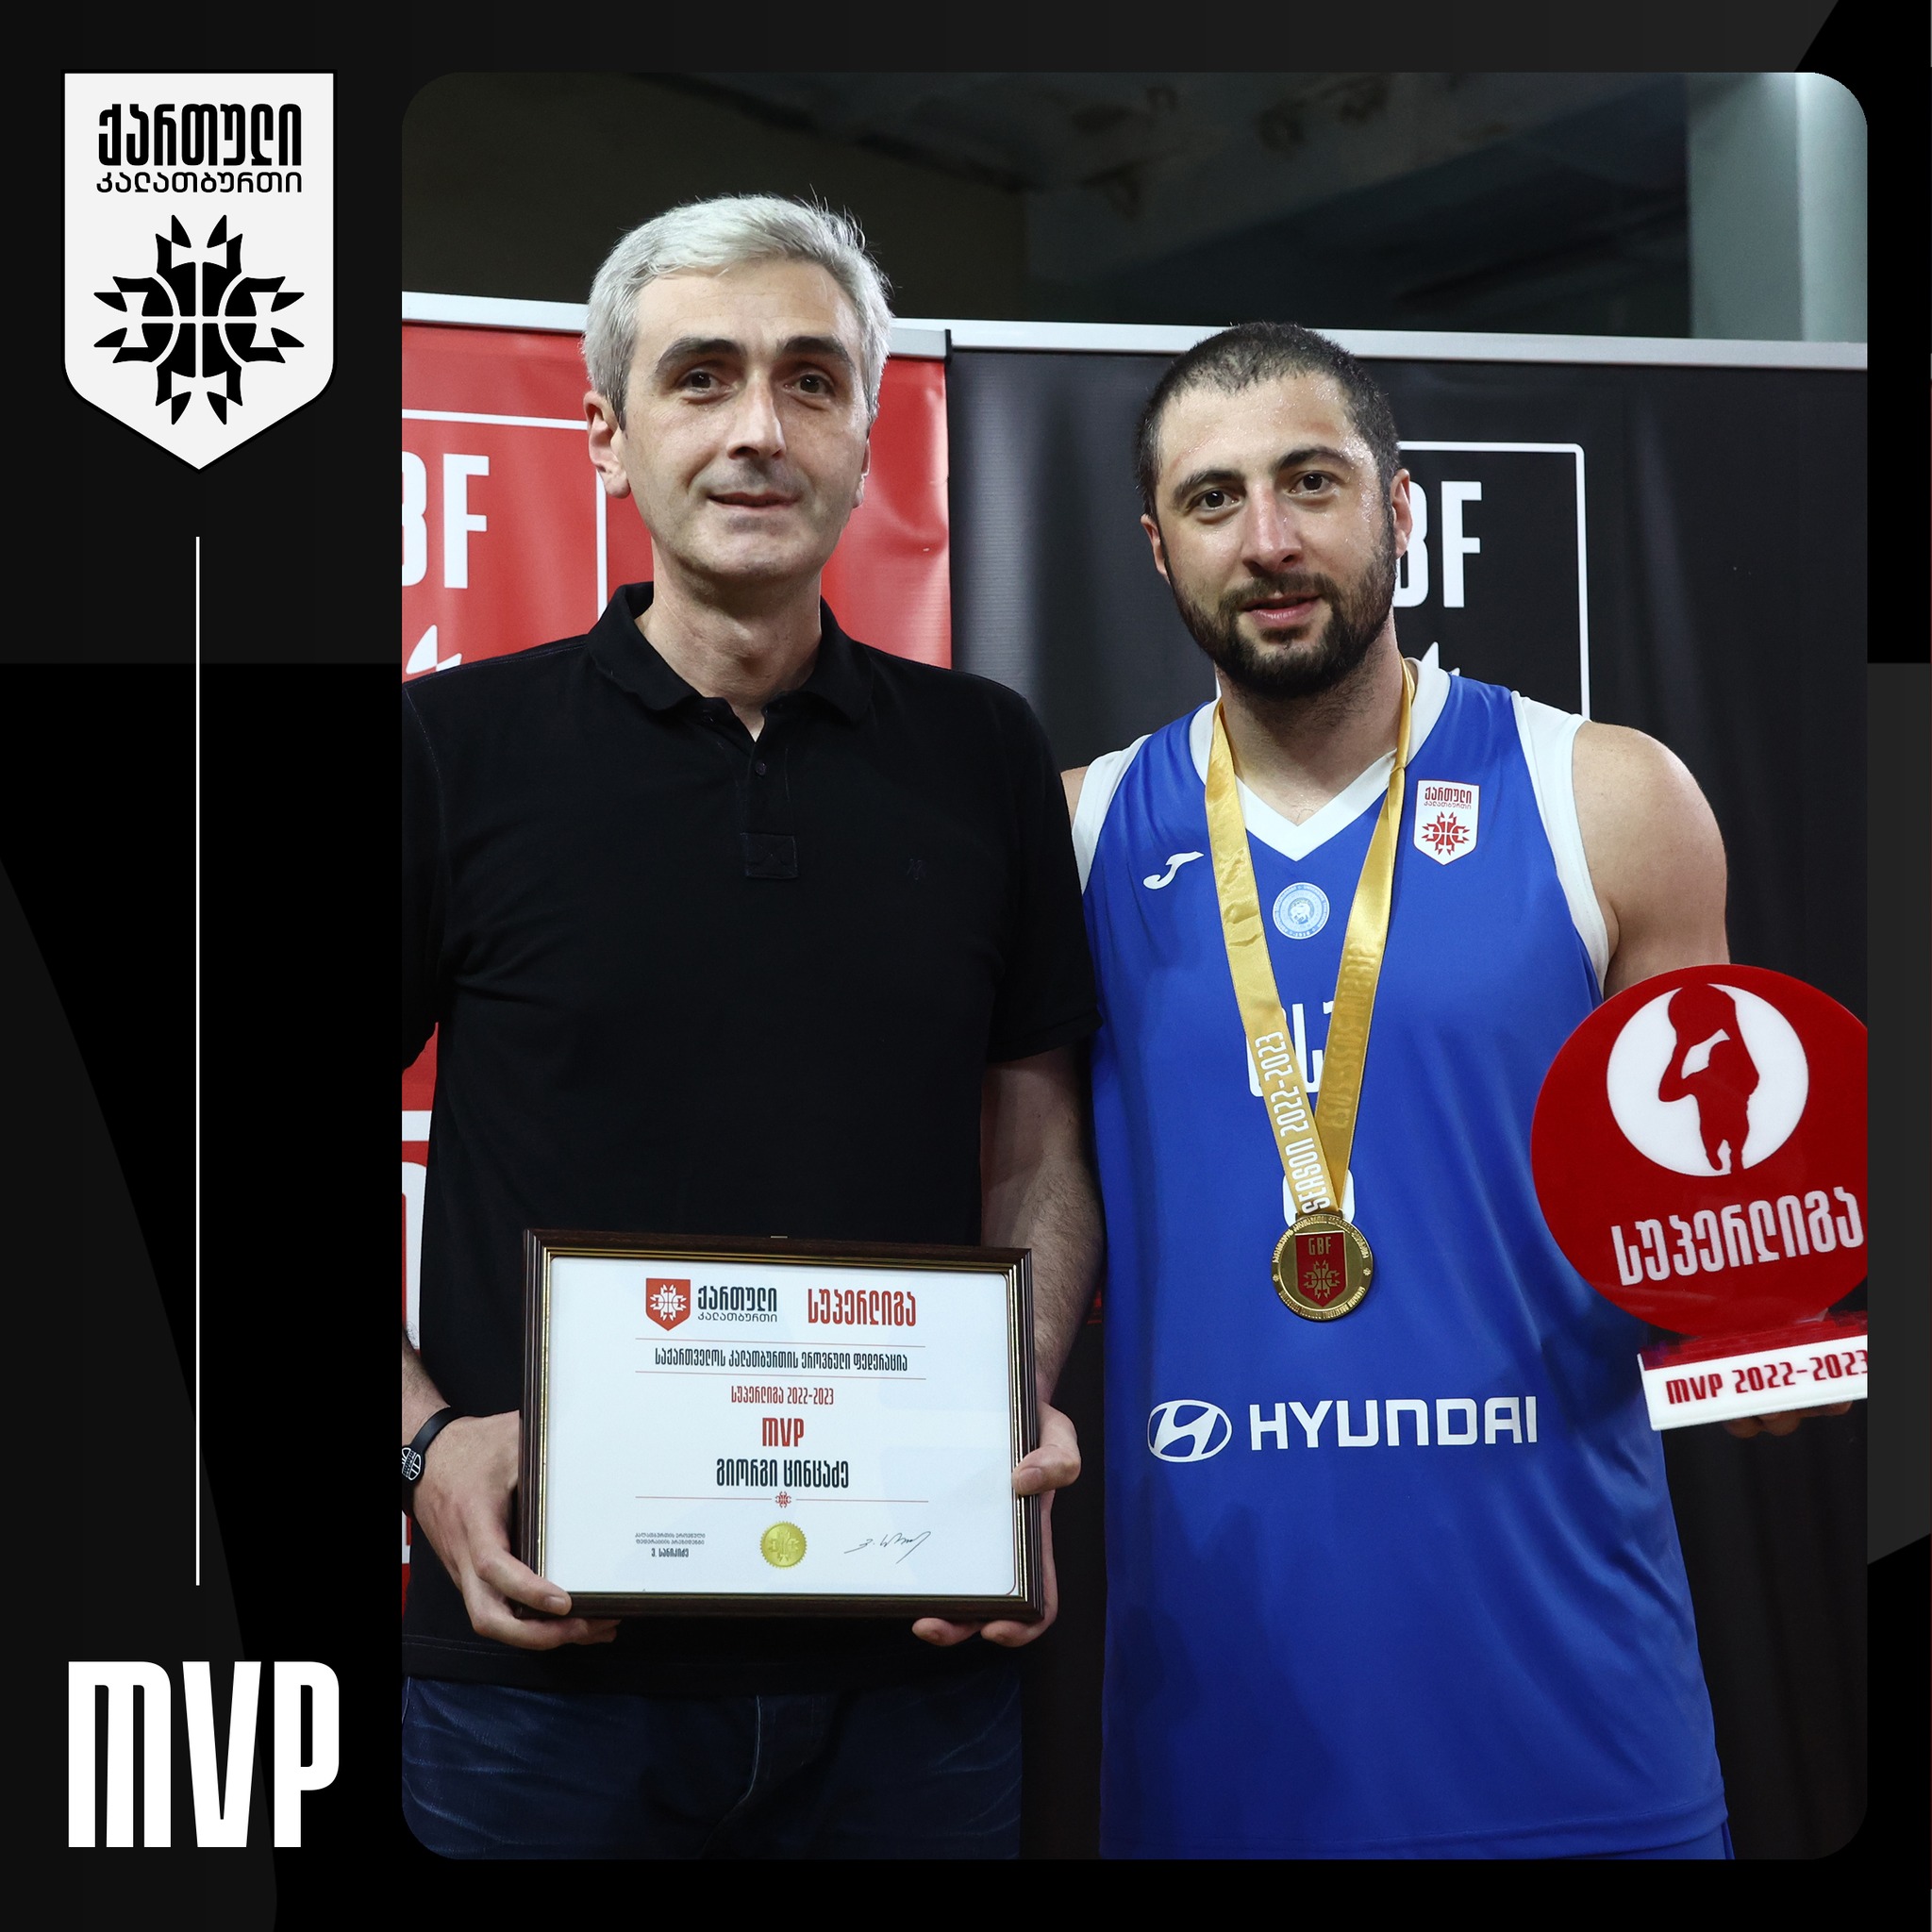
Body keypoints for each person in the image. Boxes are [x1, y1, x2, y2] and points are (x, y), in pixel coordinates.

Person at [1064, 321, 1843, 1859]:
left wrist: (1760, 1336)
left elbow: (1727, 1218)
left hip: (1575, 1726)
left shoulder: (1606, 796)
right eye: (1215, 499)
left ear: (1402, 507)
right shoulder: (1079, 833)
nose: (1270, 540)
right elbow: (1026, 1202)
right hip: (1220, 1739)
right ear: (1158, 547)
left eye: (1313, 481)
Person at [401, 194, 1102, 1859]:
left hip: (913, 1670)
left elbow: (1038, 1147)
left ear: (868, 437)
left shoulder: (984, 753)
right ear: (607, 434)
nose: (758, 430)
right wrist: (423, 1443)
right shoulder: (449, 749)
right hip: (540, 1681)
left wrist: (1009, 1408)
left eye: (811, 379)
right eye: (701, 376)